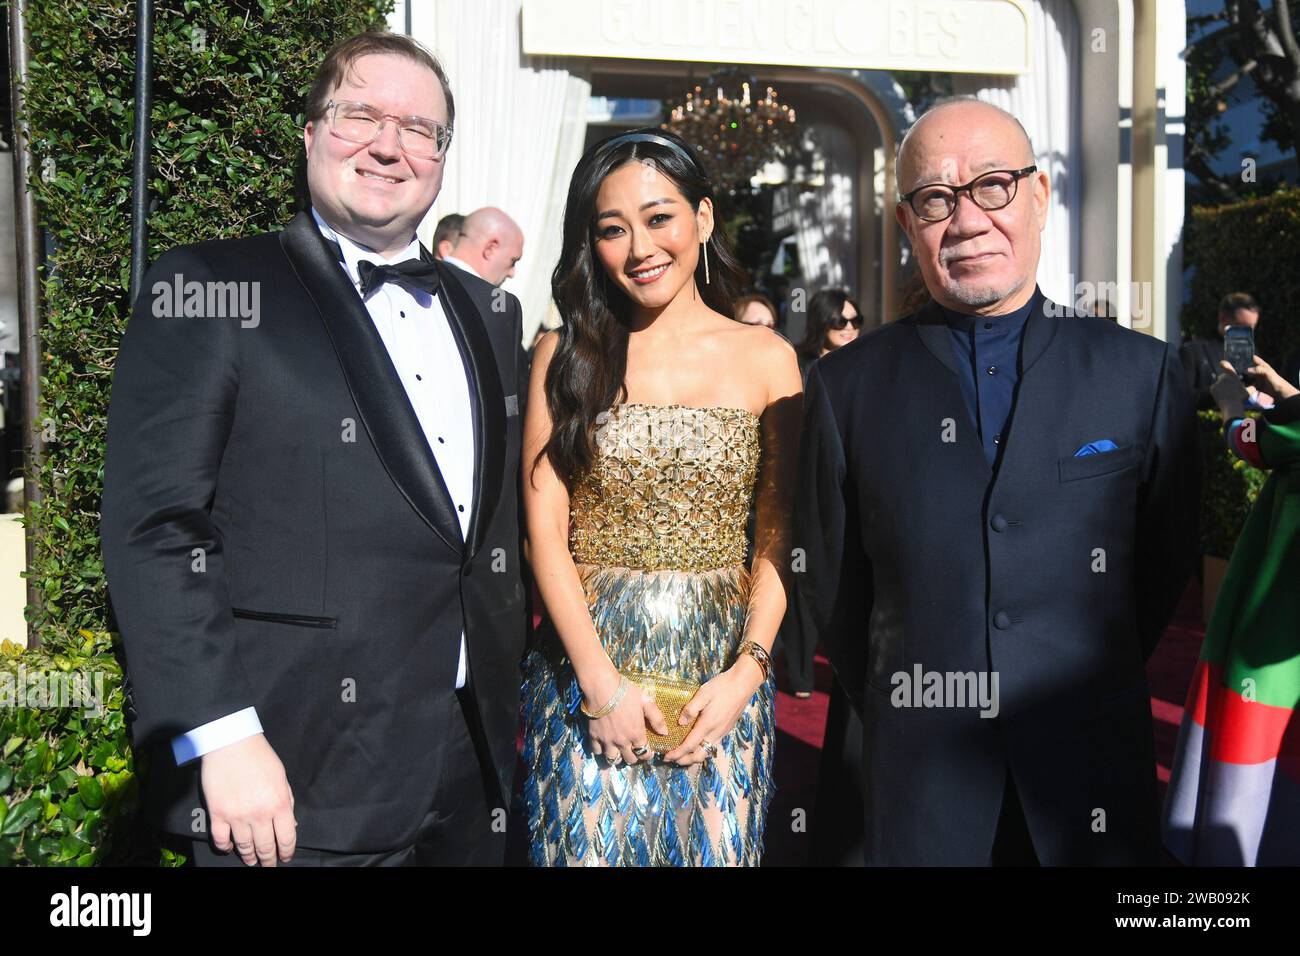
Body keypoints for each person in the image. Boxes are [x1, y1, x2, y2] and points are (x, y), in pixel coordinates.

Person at [100, 31, 529, 866]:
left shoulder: (493, 314)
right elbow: (156, 529)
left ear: (443, 158)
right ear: (308, 134)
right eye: (358, 114)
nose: (388, 144)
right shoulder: (210, 288)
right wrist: (220, 737)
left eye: (420, 129)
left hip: (470, 767)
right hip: (288, 775)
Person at [789, 96, 1200, 865]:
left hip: (1089, 778)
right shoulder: (846, 387)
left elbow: (1162, 565)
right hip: (922, 781)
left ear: (1039, 198)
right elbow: (835, 590)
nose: (968, 220)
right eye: (937, 198)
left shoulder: (1139, 373)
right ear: (908, 225)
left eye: (992, 186)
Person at [519, 127, 802, 866]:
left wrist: (751, 670)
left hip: (722, 681)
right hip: (586, 676)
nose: (639, 246)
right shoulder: (565, 352)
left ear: (703, 219)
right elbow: (543, 529)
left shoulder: (769, 359)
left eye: (659, 217)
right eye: (612, 229)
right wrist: (598, 686)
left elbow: (778, 536)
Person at [1164, 355, 1300, 865]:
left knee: (1254, 717)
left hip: (1277, 615)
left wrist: (1225, 401)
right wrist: (1286, 391)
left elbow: (1252, 441)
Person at [1180, 292, 1265, 410]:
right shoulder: (1193, 351)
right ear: (1223, 318)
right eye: (1242, 326)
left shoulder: (1253, 352)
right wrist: (1217, 393)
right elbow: (1180, 398)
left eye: (1251, 328)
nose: (1247, 334)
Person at [445, 206, 524, 286]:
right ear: (490, 249)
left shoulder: (433, 280)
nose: (512, 274)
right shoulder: (479, 295)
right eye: (512, 261)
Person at [795, 288, 861, 383]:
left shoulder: (867, 364)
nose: (849, 327)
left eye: (856, 320)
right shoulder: (799, 366)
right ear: (821, 322)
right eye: (840, 321)